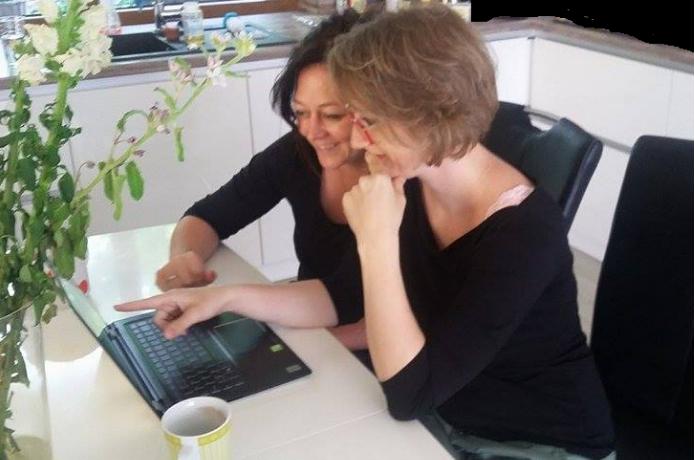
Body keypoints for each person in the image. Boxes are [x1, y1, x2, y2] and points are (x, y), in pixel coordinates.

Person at [326, 5, 615, 460]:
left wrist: (376, 241)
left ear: (430, 116)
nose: (359, 141)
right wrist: (232, 302)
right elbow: (341, 297)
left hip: (540, 445)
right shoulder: (413, 183)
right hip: (451, 418)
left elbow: (409, 396)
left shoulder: (525, 232)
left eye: (371, 122)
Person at [149, 10, 374, 346]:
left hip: (369, 352)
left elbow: (357, 305)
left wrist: (294, 344)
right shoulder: (298, 153)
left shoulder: (404, 178)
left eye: (331, 115)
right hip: (311, 326)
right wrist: (185, 257)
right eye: (300, 113)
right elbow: (207, 216)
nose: (311, 131)